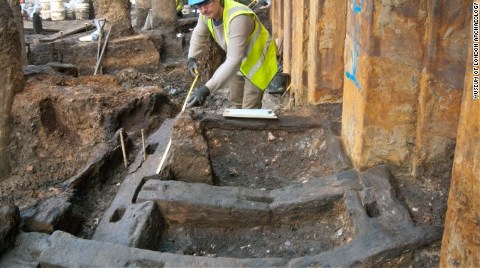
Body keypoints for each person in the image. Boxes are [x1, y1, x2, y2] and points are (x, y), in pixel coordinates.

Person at [185, 0, 278, 109]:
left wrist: (206, 89)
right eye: (199, 6)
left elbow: (234, 61)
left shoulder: (239, 18)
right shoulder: (207, 14)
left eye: (206, 3)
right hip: (238, 57)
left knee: (250, 109)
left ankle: (249, 124)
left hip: (258, 61)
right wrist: (191, 58)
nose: (203, 10)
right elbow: (199, 34)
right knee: (236, 102)